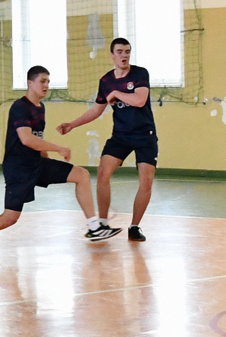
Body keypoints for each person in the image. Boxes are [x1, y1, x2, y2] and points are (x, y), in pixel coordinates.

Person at [0, 66, 121, 258]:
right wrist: (59, 148)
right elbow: (27, 139)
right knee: (9, 218)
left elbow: (37, 137)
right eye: (42, 81)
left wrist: (47, 159)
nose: (46, 85)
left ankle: (94, 227)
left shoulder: (40, 107)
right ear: (30, 83)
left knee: (81, 174)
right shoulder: (20, 107)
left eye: (48, 81)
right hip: (18, 169)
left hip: (37, 163)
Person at [57, 37, 157, 242]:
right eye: (120, 52)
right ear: (112, 55)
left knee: (146, 181)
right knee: (103, 173)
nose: (124, 56)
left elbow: (140, 100)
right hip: (120, 136)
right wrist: (72, 124)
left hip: (144, 136)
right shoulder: (106, 81)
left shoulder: (140, 74)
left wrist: (117, 93)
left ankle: (134, 227)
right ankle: (102, 224)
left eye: (127, 51)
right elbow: (96, 110)